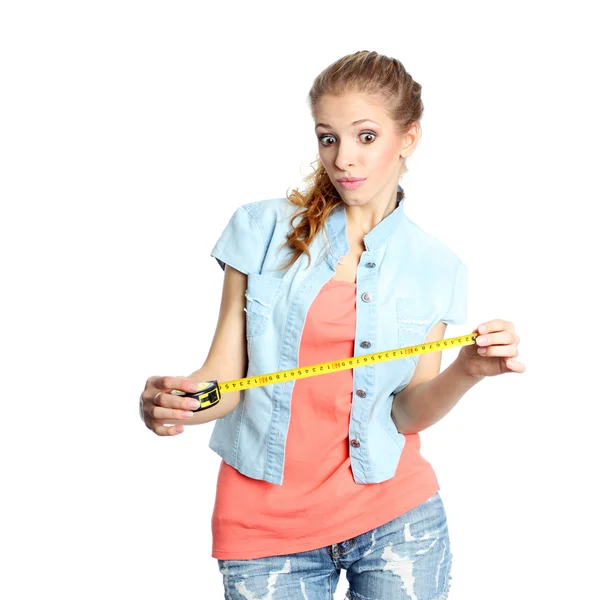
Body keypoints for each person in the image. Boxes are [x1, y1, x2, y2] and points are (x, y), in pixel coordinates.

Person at [139, 50, 524, 600]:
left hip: (397, 519)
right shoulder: (262, 229)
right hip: (264, 530)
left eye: (366, 136)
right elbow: (222, 383)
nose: (344, 158)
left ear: (407, 138)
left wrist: (469, 370)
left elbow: (407, 412)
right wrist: (179, 401)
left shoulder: (439, 268)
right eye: (328, 138)